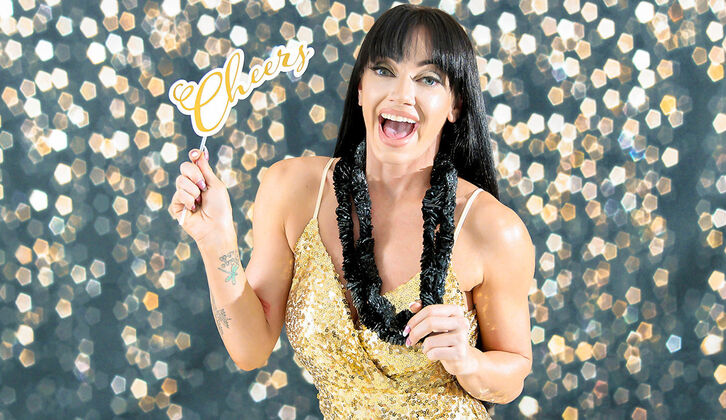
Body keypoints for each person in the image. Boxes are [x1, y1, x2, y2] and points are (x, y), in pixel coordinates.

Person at [168, 4, 535, 418]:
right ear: (360, 87)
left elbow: (513, 373)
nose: (401, 94)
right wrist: (215, 240)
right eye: (384, 70)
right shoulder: (293, 191)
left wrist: (468, 361)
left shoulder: (493, 230)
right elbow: (250, 350)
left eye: (428, 79)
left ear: (455, 105)